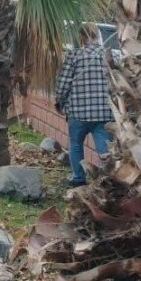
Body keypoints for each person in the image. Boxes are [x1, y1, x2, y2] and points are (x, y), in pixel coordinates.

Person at [55, 23, 114, 187]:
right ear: (97, 35)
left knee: (75, 144)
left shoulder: (74, 56)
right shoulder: (109, 56)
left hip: (78, 113)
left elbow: (63, 83)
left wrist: (59, 102)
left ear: (80, 36)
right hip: (105, 113)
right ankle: (106, 180)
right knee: (105, 149)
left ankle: (78, 178)